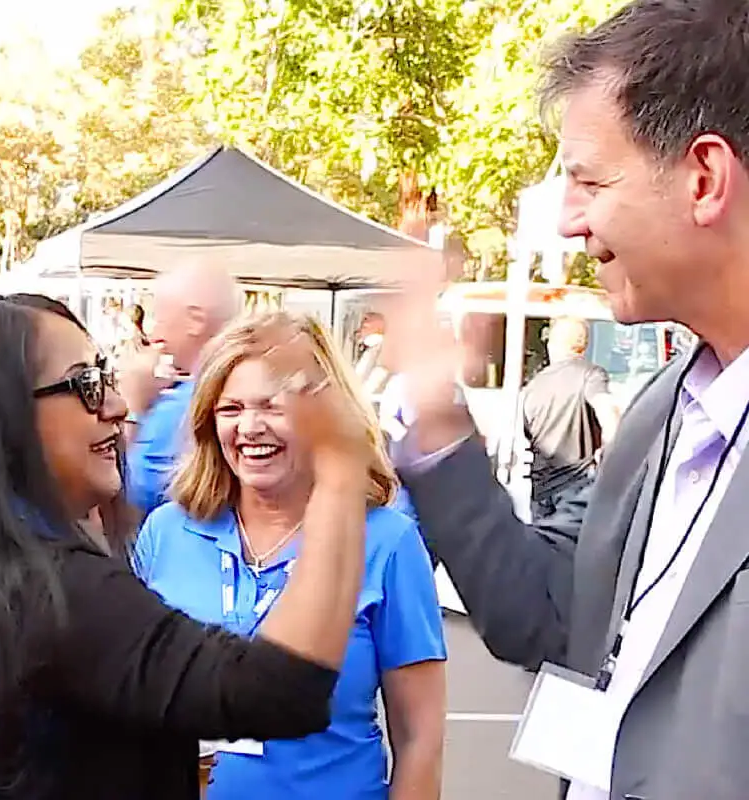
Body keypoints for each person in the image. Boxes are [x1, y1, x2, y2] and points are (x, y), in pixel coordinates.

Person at [387, 2, 749, 798]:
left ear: (704, 178)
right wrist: (441, 424)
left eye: (588, 179)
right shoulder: (664, 409)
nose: (568, 219)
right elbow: (554, 616)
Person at [0, 293, 372, 799]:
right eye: (86, 385)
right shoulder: (61, 595)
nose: (117, 405)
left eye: (105, 378)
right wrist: (341, 467)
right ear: (6, 415)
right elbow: (279, 690)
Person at [134, 311, 446, 800]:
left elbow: (420, 738)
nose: (250, 427)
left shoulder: (386, 541)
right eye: (230, 409)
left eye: (273, 407)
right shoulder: (167, 532)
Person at [122, 262, 239, 516]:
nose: (153, 333)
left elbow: (124, 493)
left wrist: (133, 406)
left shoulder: (182, 408)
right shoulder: (241, 389)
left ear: (196, 321)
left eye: (161, 318)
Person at [522, 317, 620, 519]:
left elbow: (524, 433)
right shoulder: (591, 375)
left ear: (552, 345)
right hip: (577, 485)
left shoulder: (533, 385)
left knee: (542, 546)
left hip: (540, 489)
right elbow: (609, 416)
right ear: (583, 345)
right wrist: (611, 457)